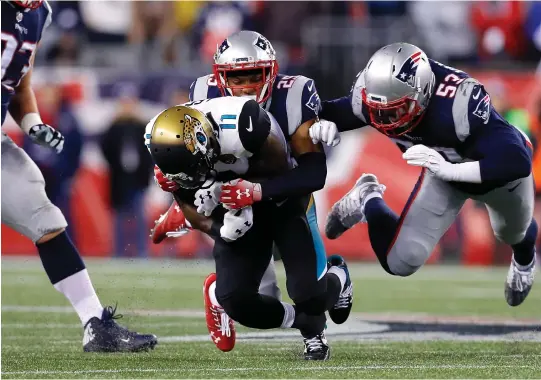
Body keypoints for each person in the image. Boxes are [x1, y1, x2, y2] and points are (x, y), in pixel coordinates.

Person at [150, 30, 346, 352]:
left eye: (254, 76)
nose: (245, 86)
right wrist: (174, 178)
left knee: (311, 294)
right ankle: (305, 322)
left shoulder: (294, 94)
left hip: (286, 202)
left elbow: (314, 173)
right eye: (236, 78)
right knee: (238, 301)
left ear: (271, 72)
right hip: (234, 205)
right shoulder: (201, 98)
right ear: (219, 79)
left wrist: (256, 190)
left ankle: (336, 278)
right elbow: (187, 155)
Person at [309, 42, 536, 307]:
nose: (386, 120)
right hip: (444, 177)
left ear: (424, 93)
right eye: (380, 111)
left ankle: (524, 260)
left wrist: (451, 169)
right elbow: (327, 112)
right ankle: (368, 197)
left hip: (496, 176)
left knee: (511, 233)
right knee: (402, 260)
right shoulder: (377, 97)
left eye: (396, 110)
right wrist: (319, 125)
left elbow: (517, 161)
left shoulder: (458, 103)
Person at [1, 0, 157, 351]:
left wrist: (31, 122)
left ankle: (95, 324)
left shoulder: (38, 14)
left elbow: (18, 79)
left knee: (46, 220)